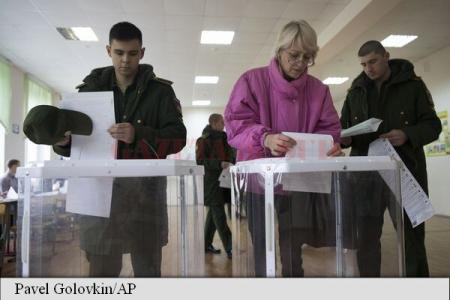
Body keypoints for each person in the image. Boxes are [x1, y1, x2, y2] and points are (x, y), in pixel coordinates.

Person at [52, 22, 187, 277]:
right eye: (119, 52)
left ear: (142, 52)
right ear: (108, 50)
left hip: (145, 198)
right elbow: (76, 146)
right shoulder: (88, 90)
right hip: (100, 197)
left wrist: (139, 134)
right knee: (102, 274)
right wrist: (63, 142)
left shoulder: (161, 93)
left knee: (147, 272)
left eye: (133, 53)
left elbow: (178, 139)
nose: (126, 60)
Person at [224, 20, 343, 276]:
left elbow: (331, 130)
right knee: (261, 245)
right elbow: (234, 125)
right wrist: (264, 138)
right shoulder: (251, 80)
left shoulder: (319, 91)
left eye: (307, 57)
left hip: (298, 182)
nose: (300, 62)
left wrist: (331, 146)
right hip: (258, 181)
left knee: (292, 246)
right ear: (279, 50)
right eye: (294, 55)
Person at [340, 40, 442, 277]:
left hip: (405, 173)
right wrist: (344, 139)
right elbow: (342, 128)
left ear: (386, 56)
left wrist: (407, 134)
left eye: (373, 61)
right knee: (365, 240)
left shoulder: (413, 86)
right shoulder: (355, 92)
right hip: (366, 178)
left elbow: (433, 125)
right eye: (364, 64)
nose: (368, 68)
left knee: (412, 241)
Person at [196, 114, 233, 259]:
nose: (224, 124)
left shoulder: (225, 139)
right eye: (221, 122)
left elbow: (231, 155)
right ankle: (230, 247)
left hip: (224, 181)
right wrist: (219, 164)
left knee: (213, 215)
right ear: (213, 122)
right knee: (220, 216)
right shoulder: (203, 141)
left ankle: (205, 244)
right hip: (211, 184)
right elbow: (200, 162)